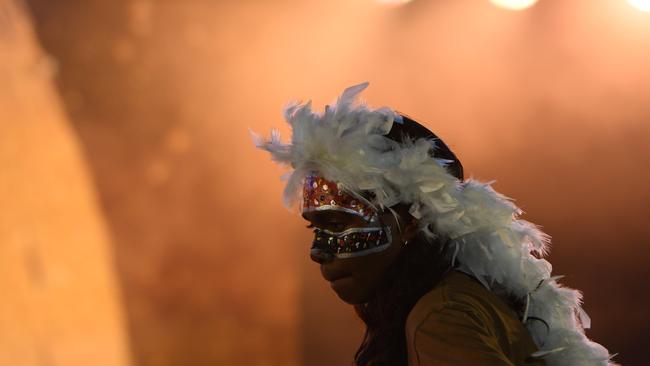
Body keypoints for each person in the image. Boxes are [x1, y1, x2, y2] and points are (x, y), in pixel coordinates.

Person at [253, 82, 614, 366]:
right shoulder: (457, 300)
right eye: (315, 228)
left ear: (410, 221)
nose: (317, 251)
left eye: (338, 222)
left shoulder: (442, 318)